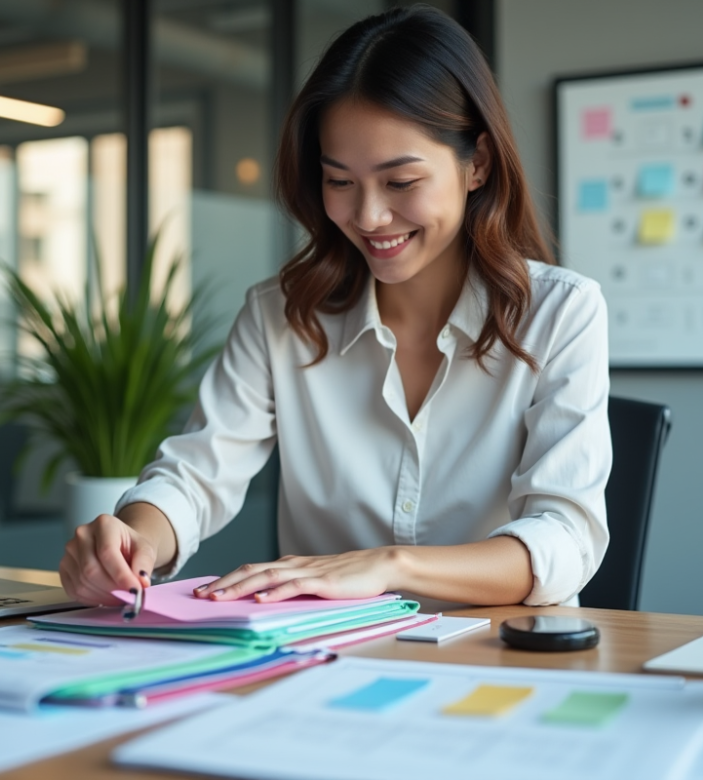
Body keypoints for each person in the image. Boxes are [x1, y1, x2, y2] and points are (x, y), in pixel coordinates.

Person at [60, 6, 610, 611]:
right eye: (340, 182)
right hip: (326, 663)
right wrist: (136, 536)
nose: (369, 217)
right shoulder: (281, 316)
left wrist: (386, 566)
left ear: (476, 163)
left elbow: (563, 539)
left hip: (500, 664)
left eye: (400, 182)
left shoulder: (562, 312)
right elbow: (195, 475)